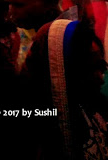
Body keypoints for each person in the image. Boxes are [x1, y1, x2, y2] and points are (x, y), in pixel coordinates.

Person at [22, 19, 108, 159]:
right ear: (62, 71)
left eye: (101, 66)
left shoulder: (95, 105)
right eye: (90, 69)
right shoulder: (38, 133)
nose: (101, 78)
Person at [4, 0, 62, 69]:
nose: (11, 12)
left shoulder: (62, 39)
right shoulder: (22, 32)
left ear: (47, 2)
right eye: (10, 4)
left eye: (19, 5)